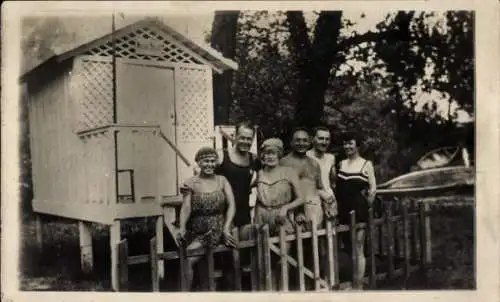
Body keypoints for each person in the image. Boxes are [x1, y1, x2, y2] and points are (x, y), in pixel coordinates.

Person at [280, 127, 336, 285]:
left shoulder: (314, 163)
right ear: (291, 142)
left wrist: (328, 202)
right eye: (297, 140)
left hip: (313, 212)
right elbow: (284, 190)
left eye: (305, 140)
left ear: (310, 142)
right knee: (291, 252)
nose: (301, 143)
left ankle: (313, 287)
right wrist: (297, 211)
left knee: (314, 251)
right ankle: (293, 288)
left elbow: (318, 188)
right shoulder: (284, 162)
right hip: (292, 212)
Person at [177, 147, 237, 291]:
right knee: (191, 261)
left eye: (212, 161)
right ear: (198, 162)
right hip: (196, 227)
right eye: (205, 161)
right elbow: (186, 208)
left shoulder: (222, 180)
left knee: (190, 259)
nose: (209, 164)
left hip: (217, 226)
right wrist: (182, 227)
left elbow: (232, 205)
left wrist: (226, 227)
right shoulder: (190, 183)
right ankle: (188, 294)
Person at [253, 138, 306, 289]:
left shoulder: (289, 172)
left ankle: (283, 292)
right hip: (262, 216)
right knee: (263, 258)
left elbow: (301, 198)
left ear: (279, 155)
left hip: (282, 217)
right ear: (262, 155)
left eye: (273, 153)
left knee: (282, 258)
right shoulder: (259, 174)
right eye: (266, 153)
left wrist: (286, 208)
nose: (270, 157)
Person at [335, 131, 376, 289]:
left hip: (358, 211)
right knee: (348, 247)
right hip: (343, 210)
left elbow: (373, 189)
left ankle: (358, 285)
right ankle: (351, 281)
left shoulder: (366, 164)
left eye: (350, 143)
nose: (347, 146)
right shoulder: (341, 164)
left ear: (357, 145)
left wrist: (365, 207)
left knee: (358, 247)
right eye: (345, 143)